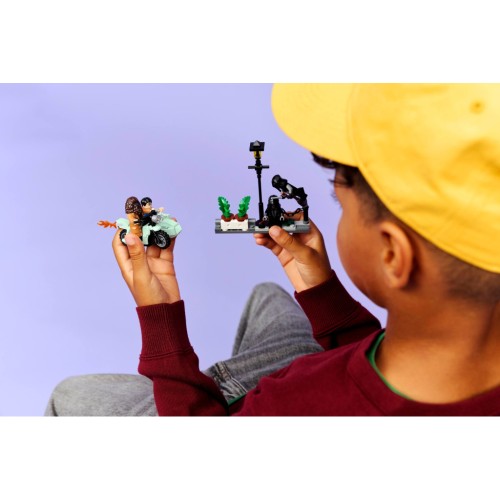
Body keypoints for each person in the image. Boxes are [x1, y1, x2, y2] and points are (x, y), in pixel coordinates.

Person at [46, 84, 500, 416]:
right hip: (338, 353)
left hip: (212, 405)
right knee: (269, 296)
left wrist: (161, 314)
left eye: (340, 202)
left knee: (74, 396)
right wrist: (321, 290)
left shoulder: (294, 402)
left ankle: (220, 384)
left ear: (392, 254)